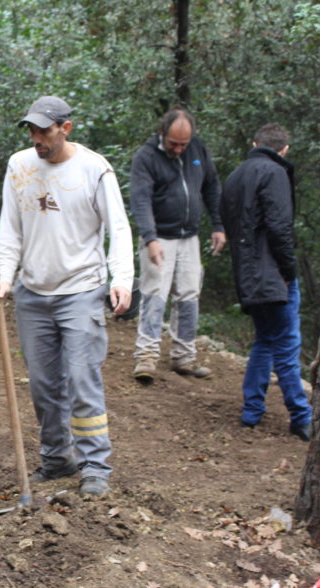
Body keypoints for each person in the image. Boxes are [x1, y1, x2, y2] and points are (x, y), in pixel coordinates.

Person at [0, 96, 134, 497]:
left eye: (44, 131)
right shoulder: (19, 166)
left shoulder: (94, 169)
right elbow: (10, 229)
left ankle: (95, 466)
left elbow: (118, 228)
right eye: (32, 131)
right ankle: (56, 458)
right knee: (43, 385)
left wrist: (122, 278)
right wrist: (4, 279)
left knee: (83, 381)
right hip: (33, 292)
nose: (37, 139)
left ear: (65, 128)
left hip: (81, 290)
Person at [219, 124, 313, 441]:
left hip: (247, 274)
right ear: (284, 149)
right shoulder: (275, 173)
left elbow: (229, 222)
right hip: (273, 274)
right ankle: (301, 417)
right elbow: (279, 227)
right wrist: (289, 271)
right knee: (286, 344)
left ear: (255, 143)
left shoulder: (235, 176)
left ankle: (252, 412)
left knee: (265, 340)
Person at [130, 106, 226, 383]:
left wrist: (218, 225)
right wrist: (150, 238)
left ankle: (184, 356)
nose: (179, 149)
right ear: (162, 133)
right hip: (159, 235)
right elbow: (140, 199)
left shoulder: (197, 149)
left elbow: (211, 186)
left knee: (189, 294)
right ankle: (146, 355)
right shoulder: (146, 157)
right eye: (174, 143)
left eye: (184, 144)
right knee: (154, 293)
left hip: (189, 236)